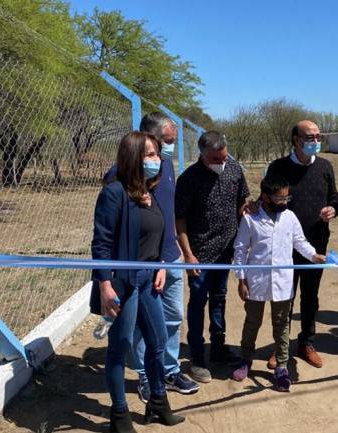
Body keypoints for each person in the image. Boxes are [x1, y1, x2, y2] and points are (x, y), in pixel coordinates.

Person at [91, 131, 184, 432]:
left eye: (157, 153)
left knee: (157, 343)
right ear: (133, 156)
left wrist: (159, 264)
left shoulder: (150, 191)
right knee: (120, 348)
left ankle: (157, 402)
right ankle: (119, 416)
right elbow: (101, 244)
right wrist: (105, 286)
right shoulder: (114, 192)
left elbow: (156, 234)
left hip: (148, 279)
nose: (157, 159)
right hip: (123, 283)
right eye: (150, 154)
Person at [115, 113, 200, 401]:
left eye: (171, 144)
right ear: (147, 139)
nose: (167, 151)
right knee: (145, 322)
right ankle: (144, 375)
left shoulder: (165, 166)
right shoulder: (122, 176)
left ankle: (170, 369)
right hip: (144, 262)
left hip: (170, 256)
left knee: (173, 316)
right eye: (166, 143)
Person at [231, 175, 326, 391]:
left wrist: (314, 256)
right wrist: (241, 279)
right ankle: (245, 359)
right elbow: (240, 249)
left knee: (282, 325)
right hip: (256, 282)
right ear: (265, 197)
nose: (284, 202)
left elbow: (299, 242)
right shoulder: (250, 219)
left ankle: (282, 367)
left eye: (287, 197)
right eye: (279, 198)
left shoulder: (290, 217)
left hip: (283, 282)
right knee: (252, 322)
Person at [175, 130, 250, 383]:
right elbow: (180, 220)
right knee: (198, 302)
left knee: (219, 298)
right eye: (216, 159)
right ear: (202, 155)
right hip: (199, 254)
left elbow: (241, 202)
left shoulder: (234, 169)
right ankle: (197, 357)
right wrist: (188, 255)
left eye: (224, 157)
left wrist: (248, 224)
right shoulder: (188, 179)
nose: (222, 163)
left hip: (226, 250)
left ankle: (218, 349)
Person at [265, 120, 338, 369]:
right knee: (285, 298)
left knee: (310, 297)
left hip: (316, 245)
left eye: (318, 136)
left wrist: (333, 209)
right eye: (310, 137)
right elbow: (266, 200)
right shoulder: (278, 167)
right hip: (285, 247)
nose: (315, 141)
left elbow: (335, 199)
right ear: (296, 139)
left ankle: (307, 342)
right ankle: (280, 346)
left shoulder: (325, 167)